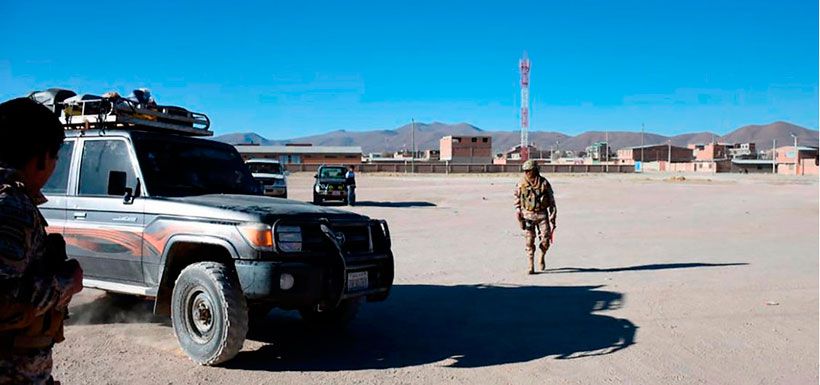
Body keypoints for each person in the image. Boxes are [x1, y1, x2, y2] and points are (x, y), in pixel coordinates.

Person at [0, 98, 84, 385]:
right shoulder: (10, 206)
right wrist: (66, 282)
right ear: (40, 157)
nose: (53, 167)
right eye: (55, 157)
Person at [514, 160, 557, 274]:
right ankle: (530, 265)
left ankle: (542, 255)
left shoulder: (544, 183)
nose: (527, 173)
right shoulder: (521, 183)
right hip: (528, 215)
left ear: (535, 170)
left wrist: (553, 215)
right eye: (525, 171)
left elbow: (551, 200)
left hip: (542, 215)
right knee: (529, 240)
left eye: (529, 170)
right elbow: (517, 199)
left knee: (545, 240)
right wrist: (518, 211)